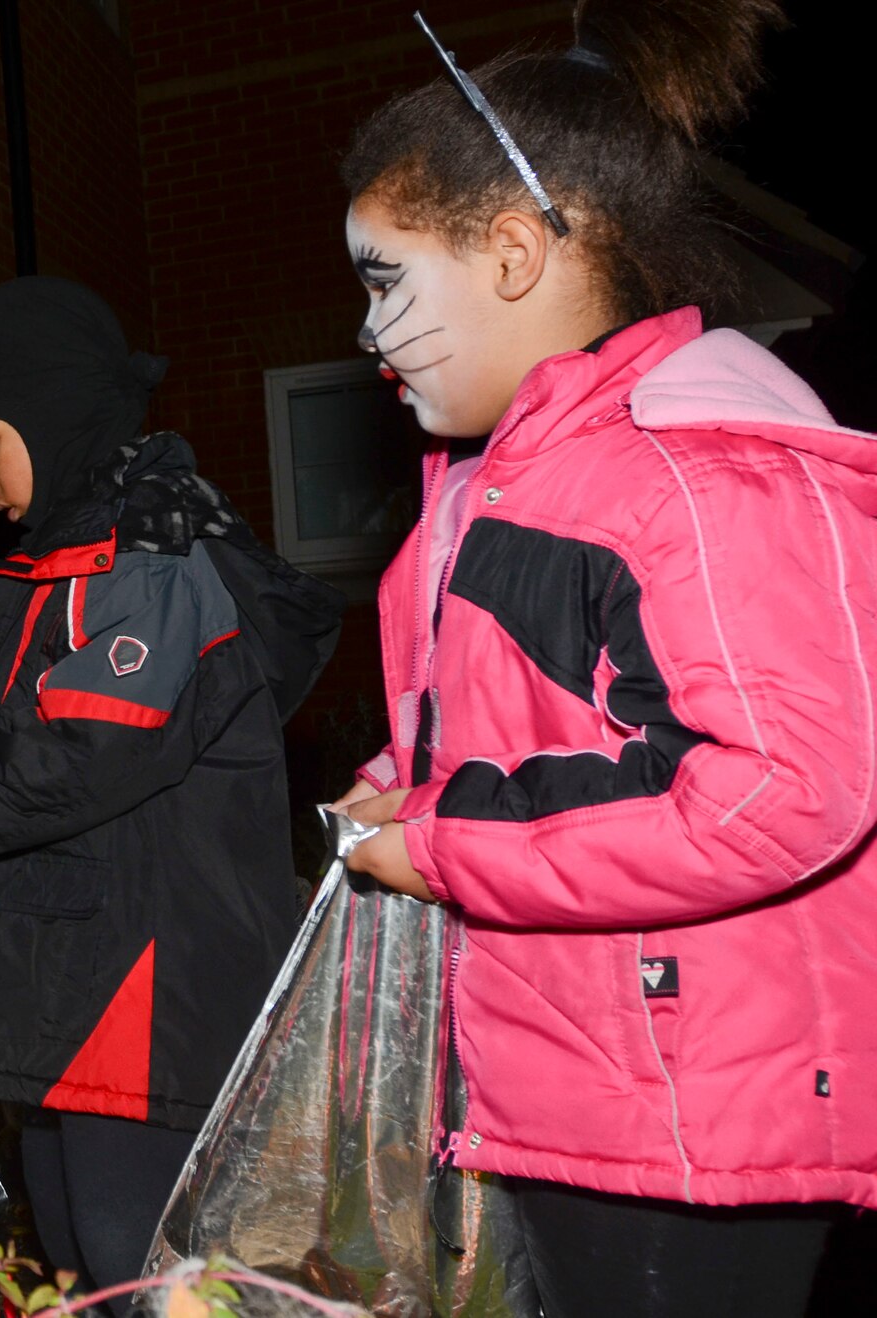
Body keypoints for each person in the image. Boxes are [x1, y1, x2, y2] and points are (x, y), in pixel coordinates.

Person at [331, 3, 877, 1313]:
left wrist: (448, 839)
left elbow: (782, 783)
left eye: (383, 278)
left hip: (687, 1124)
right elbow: (524, 740)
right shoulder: (494, 491)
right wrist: (398, 788)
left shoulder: (700, 472)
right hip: (562, 1086)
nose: (368, 332)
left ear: (514, 252)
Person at [0, 277, 344, 1313]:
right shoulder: (78, 559)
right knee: (74, 1259)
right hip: (80, 989)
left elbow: (80, 750)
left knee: (137, 1267)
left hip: (147, 994)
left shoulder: (152, 565)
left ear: (50, 411)